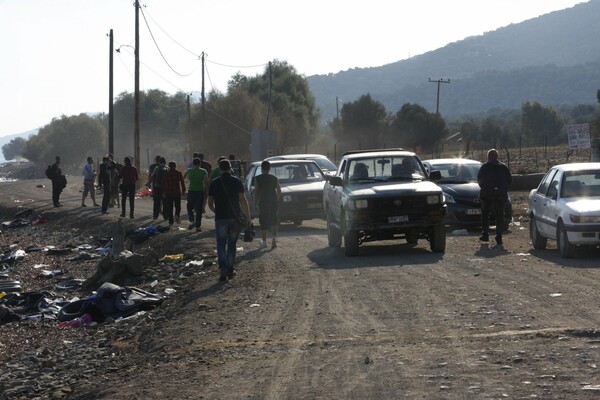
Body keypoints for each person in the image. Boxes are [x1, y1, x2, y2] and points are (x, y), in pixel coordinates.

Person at [208, 159, 251, 282]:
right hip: (234, 218)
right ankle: (231, 269)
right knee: (232, 244)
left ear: (220, 169)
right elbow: (243, 200)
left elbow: (210, 204)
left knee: (221, 244)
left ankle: (223, 269)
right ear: (230, 168)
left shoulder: (214, 183)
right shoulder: (236, 181)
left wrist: (217, 212)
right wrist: (248, 217)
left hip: (220, 218)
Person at [477, 148, 512, 247]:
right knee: (500, 215)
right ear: (497, 157)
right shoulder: (503, 167)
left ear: (488, 157)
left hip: (487, 195)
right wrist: (502, 188)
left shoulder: (485, 167)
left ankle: (485, 234)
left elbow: (479, 180)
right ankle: (499, 236)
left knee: (485, 214)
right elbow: (509, 180)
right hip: (500, 195)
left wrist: (485, 188)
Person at [254, 160, 282, 249]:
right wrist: (275, 199)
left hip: (263, 202)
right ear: (269, 169)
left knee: (263, 222)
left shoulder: (258, 178)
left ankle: (264, 242)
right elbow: (279, 191)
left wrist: (255, 203)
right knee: (274, 221)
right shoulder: (274, 178)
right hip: (273, 202)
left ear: (261, 169)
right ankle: (274, 240)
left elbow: (256, 192)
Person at [184, 157, 209, 231]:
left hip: (191, 191)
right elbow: (205, 182)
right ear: (200, 163)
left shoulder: (189, 170)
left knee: (189, 207)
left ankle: (192, 220)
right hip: (200, 191)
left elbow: (187, 179)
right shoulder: (204, 171)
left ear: (193, 163)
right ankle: (198, 226)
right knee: (199, 210)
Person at [163, 161, 186, 226]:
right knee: (178, 206)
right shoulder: (178, 173)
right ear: (175, 166)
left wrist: (164, 192)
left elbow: (164, 184)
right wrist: (183, 190)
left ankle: (171, 221)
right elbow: (182, 182)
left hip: (169, 192)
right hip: (177, 192)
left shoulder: (166, 173)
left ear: (169, 166)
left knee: (170, 208)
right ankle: (177, 215)